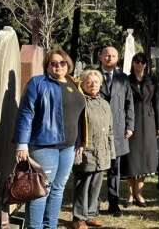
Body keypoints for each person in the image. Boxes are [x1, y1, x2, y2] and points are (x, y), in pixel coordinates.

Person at [14, 49, 86, 229]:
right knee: (40, 191)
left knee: (58, 190)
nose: (58, 66)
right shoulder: (37, 83)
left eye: (62, 63)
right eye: (53, 63)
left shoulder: (73, 84)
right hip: (44, 145)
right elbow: (26, 114)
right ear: (47, 65)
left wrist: (81, 142)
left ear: (68, 64)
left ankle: (50, 226)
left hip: (68, 147)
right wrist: (22, 144)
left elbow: (79, 116)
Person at [72, 70, 116, 229]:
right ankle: (78, 218)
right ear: (82, 84)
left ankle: (91, 214)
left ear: (100, 85)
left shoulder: (104, 103)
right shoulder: (79, 102)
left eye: (96, 82)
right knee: (82, 184)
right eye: (89, 82)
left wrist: (111, 152)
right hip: (86, 151)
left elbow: (110, 129)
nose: (93, 85)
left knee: (96, 184)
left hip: (102, 151)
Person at [121, 52, 159, 207]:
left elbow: (157, 103)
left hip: (148, 122)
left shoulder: (152, 80)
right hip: (131, 122)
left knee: (145, 159)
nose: (139, 64)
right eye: (137, 62)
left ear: (146, 64)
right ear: (133, 64)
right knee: (131, 159)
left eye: (142, 62)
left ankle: (139, 193)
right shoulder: (126, 80)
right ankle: (130, 194)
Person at [98, 46, 135, 217]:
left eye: (113, 56)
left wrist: (130, 126)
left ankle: (114, 204)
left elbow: (129, 104)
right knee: (96, 169)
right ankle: (93, 204)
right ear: (100, 57)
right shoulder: (93, 75)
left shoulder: (123, 79)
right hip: (97, 130)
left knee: (115, 170)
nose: (109, 58)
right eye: (106, 55)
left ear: (117, 59)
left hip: (119, 130)